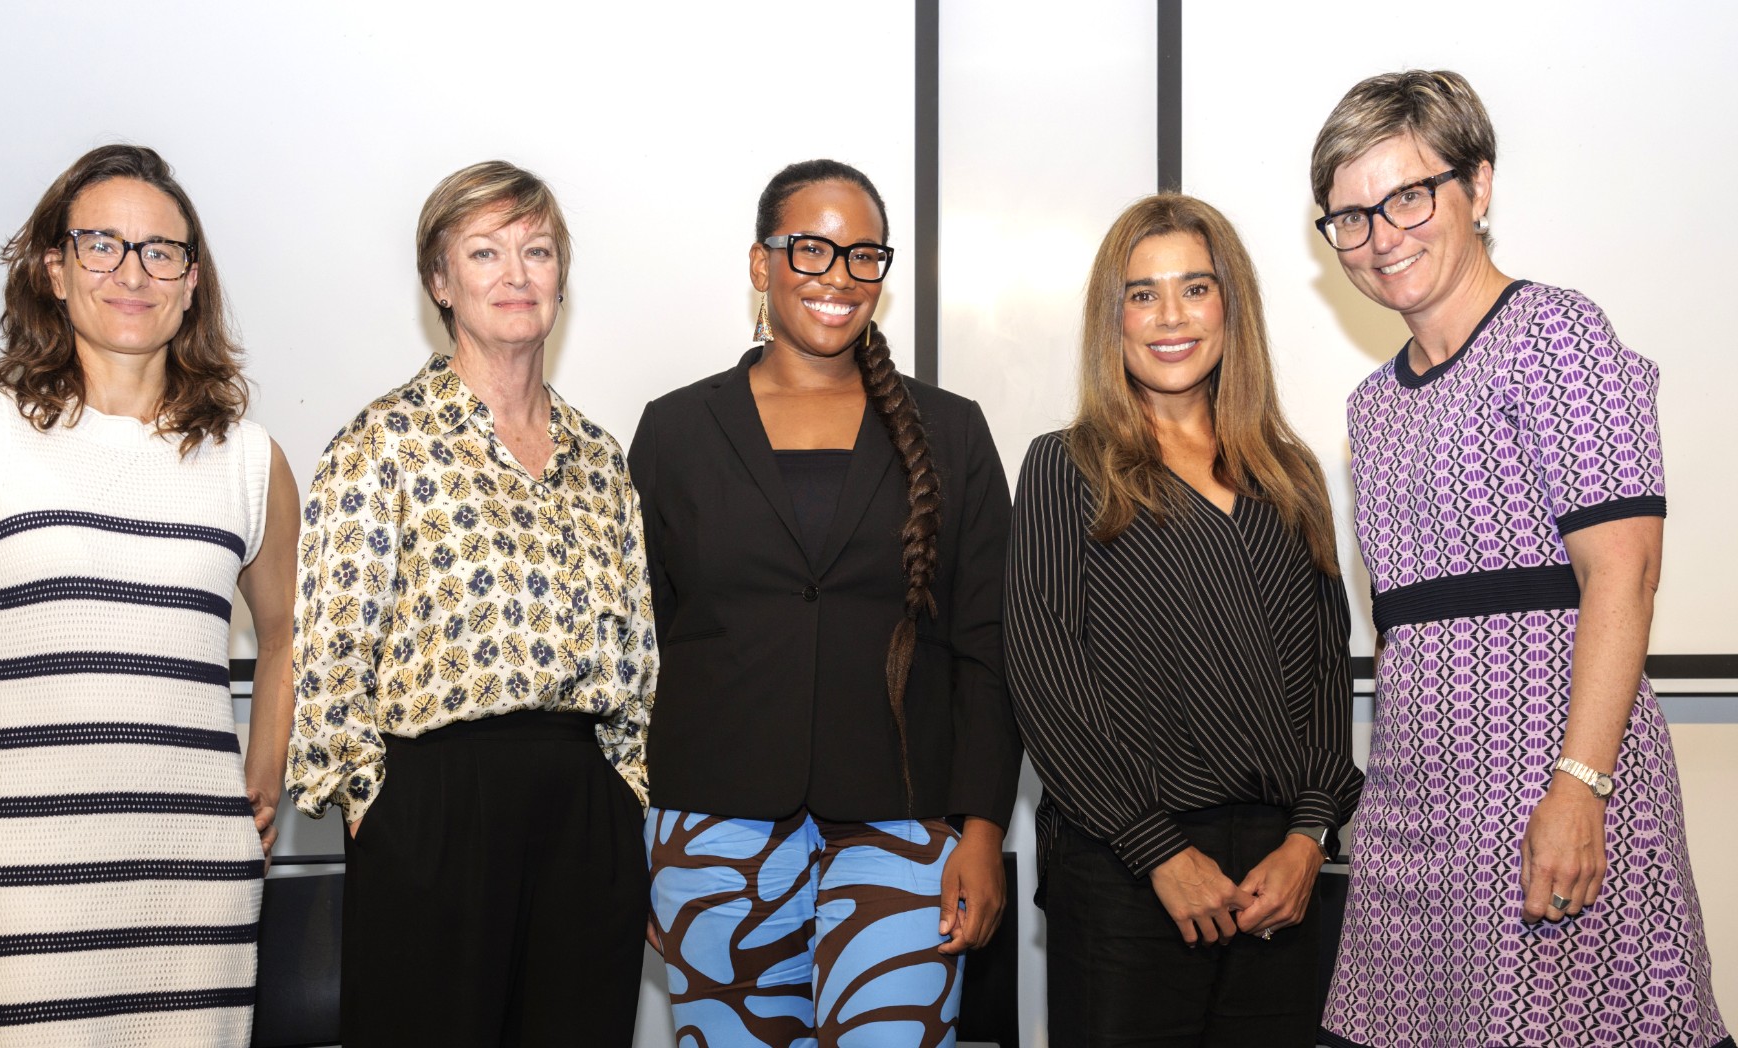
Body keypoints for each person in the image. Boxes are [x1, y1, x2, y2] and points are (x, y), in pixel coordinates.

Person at [1309, 69, 1728, 1047]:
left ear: (1479, 188)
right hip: (1419, 811)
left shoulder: (1556, 336)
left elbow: (1623, 573)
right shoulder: (1369, 409)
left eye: (1408, 196)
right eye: (1351, 216)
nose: (1382, 236)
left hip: (1555, 789)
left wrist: (1579, 785)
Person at [0, 144, 298, 1045]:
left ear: (192, 280)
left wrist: (262, 773)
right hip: (31, 873)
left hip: (195, 877)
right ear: (53, 270)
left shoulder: (251, 461)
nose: (132, 272)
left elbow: (288, 631)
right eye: (101, 244)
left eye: (160, 251)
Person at [630, 158, 1022, 1046]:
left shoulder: (952, 430)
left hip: (905, 828)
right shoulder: (677, 430)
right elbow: (633, 653)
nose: (837, 278)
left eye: (863, 256)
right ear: (760, 264)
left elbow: (989, 649)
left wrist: (984, 829)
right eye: (810, 250)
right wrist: (636, 854)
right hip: (711, 834)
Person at [286, 160, 655, 1047]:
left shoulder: (601, 458)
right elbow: (332, 653)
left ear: (561, 277)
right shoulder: (385, 442)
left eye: (537, 251)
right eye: (485, 253)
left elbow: (637, 652)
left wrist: (626, 796)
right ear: (440, 283)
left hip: (584, 813)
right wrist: (377, 806)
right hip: (435, 810)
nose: (516, 275)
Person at [1003, 193, 1362, 1046]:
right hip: (1125, 869)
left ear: (1231, 307)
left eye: (1196, 289)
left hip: (1281, 876)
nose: (1170, 316)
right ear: (1112, 320)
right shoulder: (1066, 467)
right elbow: (1043, 678)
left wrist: (1310, 837)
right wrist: (1156, 849)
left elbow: (1323, 668)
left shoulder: (1290, 472)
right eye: (1142, 294)